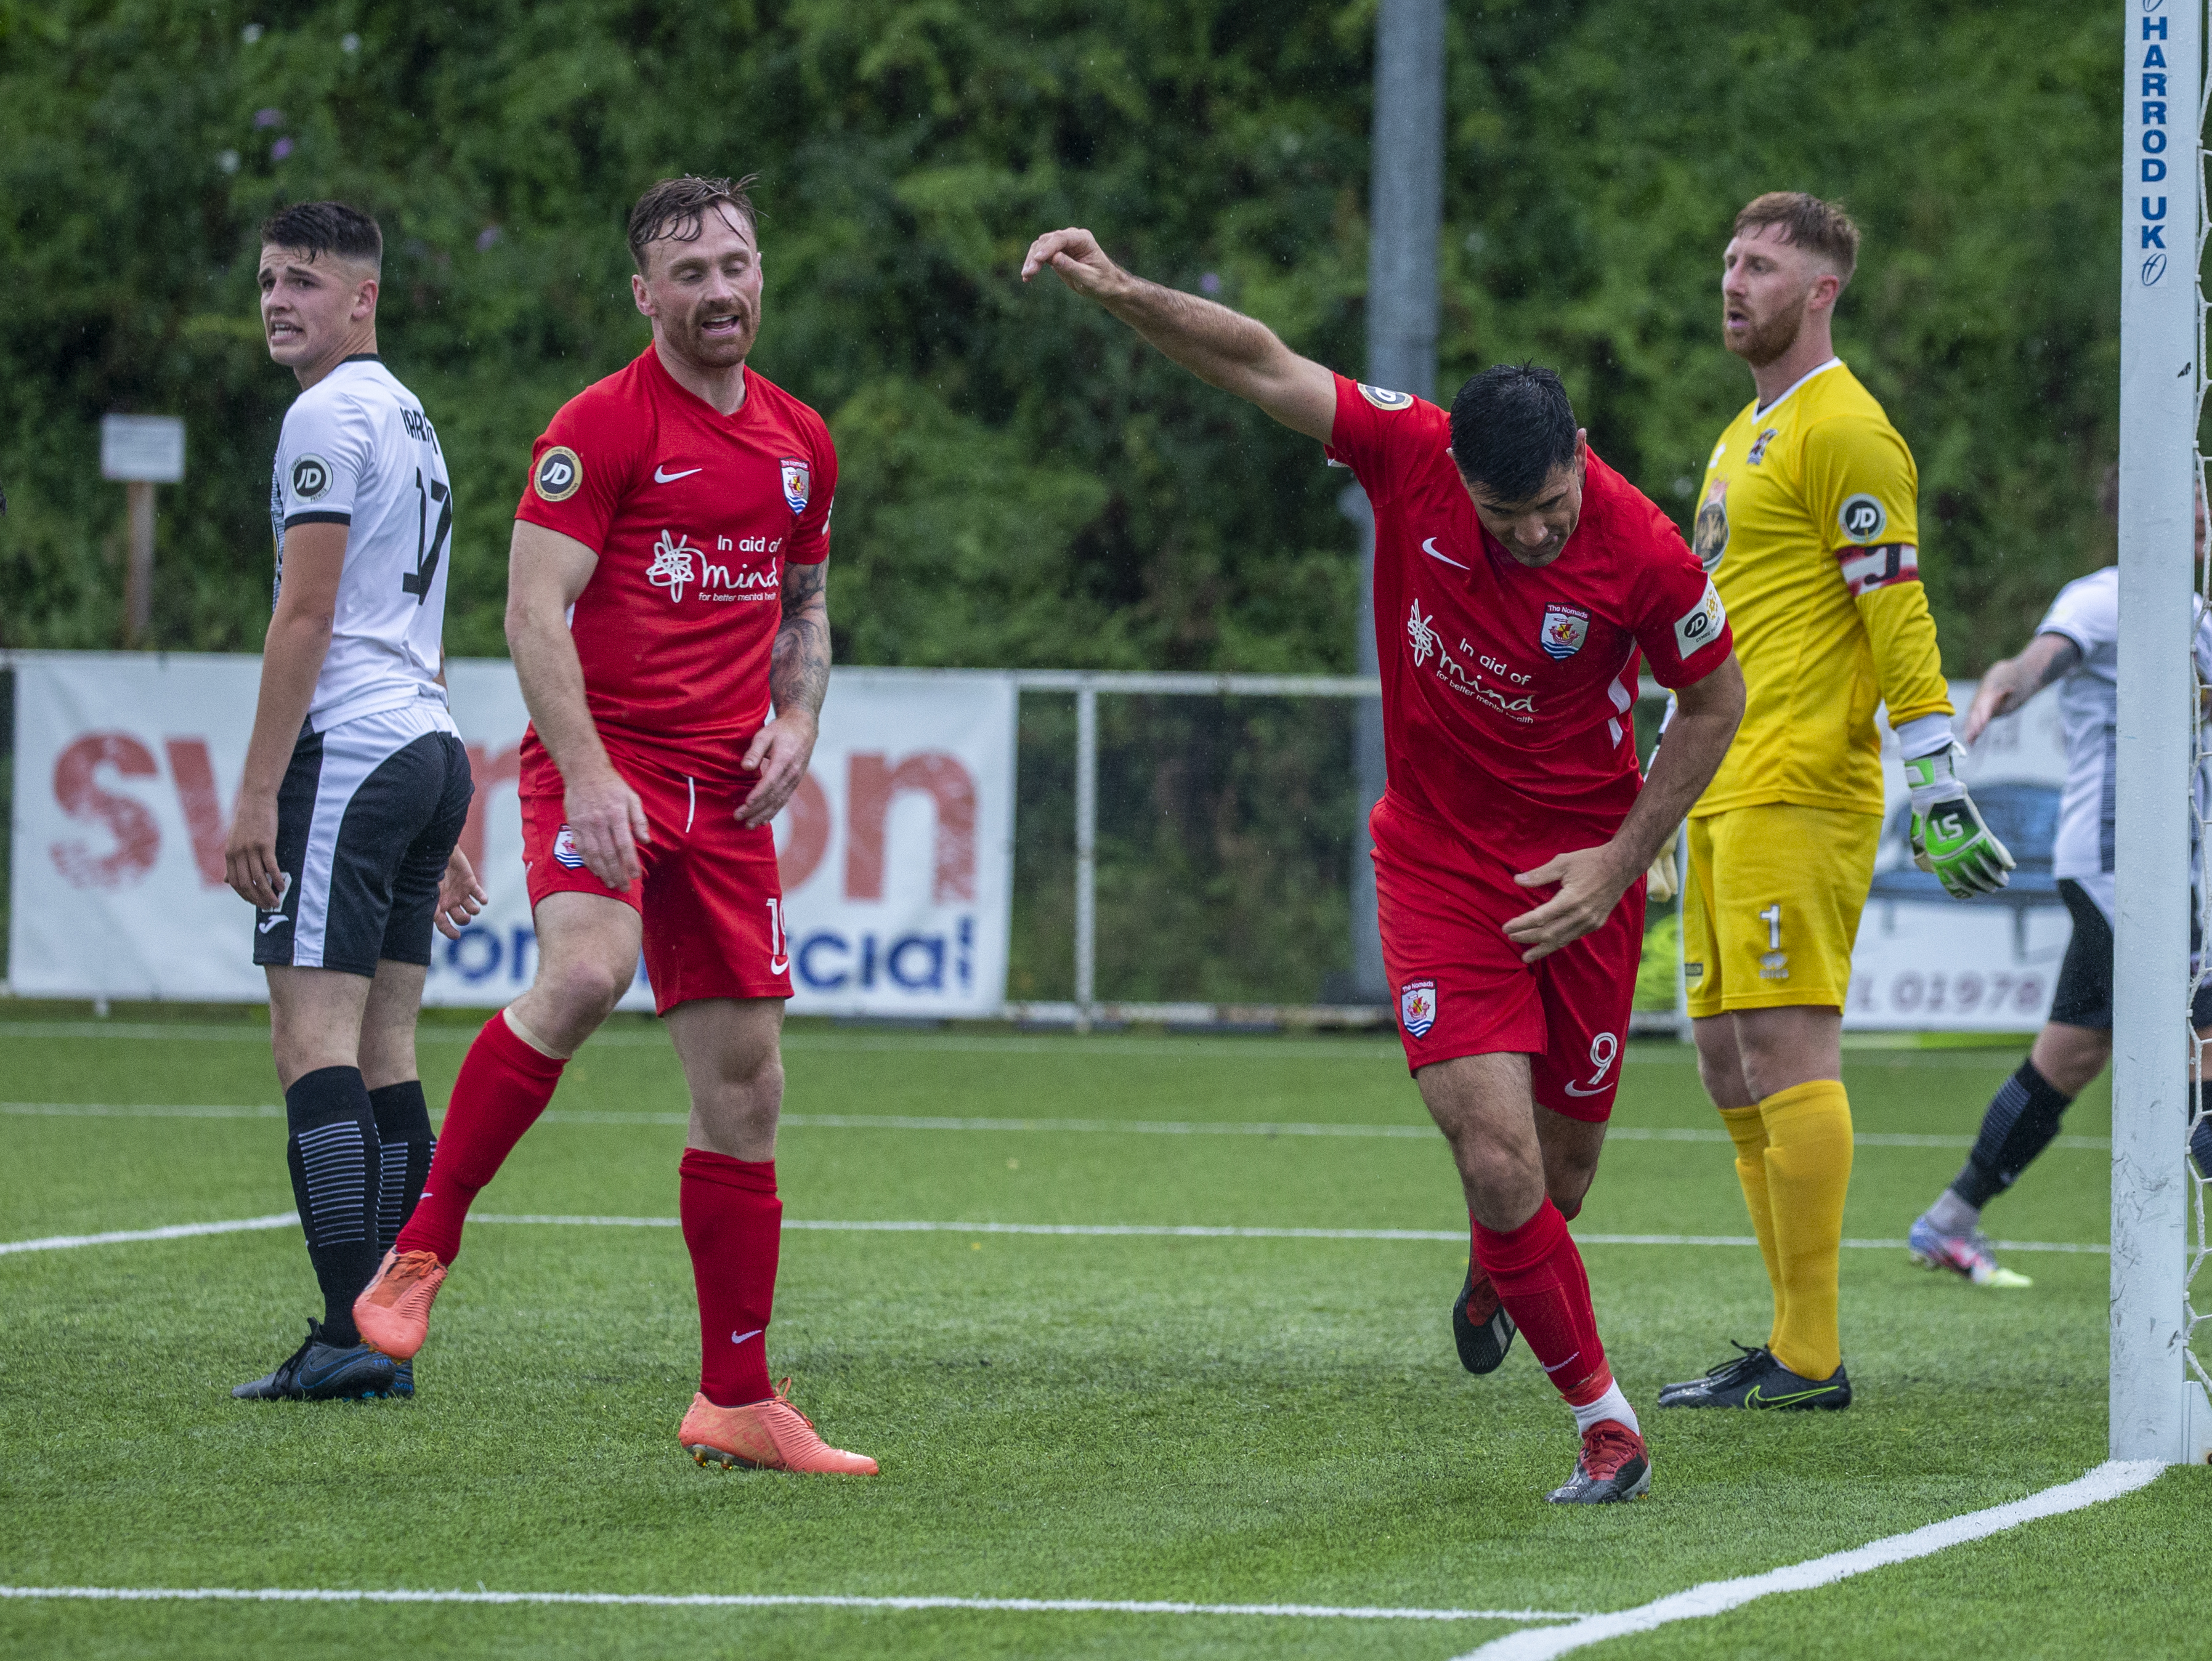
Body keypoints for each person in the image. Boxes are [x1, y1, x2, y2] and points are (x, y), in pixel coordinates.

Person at [1023, 225, 1745, 1503]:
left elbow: (1712, 704)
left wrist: (1620, 857)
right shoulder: (1406, 449)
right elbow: (1255, 363)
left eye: (1551, 506)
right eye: (1504, 512)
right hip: (1432, 866)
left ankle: (1497, 1265)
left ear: (1583, 457)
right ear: (1455, 477)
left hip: (1581, 877)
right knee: (1495, 1156)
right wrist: (1119, 288)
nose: (1532, 533)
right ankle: (1605, 1422)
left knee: (1558, 1179)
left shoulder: (1640, 549)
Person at [350, 176, 874, 1474]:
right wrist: (586, 771)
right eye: (688, 273)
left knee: (747, 1086)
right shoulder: (598, 427)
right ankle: (424, 1246)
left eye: (735, 266)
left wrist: (799, 719)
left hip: (728, 794)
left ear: (763, 274)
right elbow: (534, 613)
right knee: (587, 967)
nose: (718, 292)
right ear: (645, 294)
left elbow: (805, 600)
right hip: (608, 762)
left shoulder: (801, 438)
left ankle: (737, 1397)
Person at [1657, 193, 2012, 1416]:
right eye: (1726, 257)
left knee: (1784, 1045)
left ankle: (1810, 1352)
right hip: (1720, 784)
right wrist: (1655, 797)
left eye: (1757, 263)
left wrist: (1936, 778)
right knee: (1720, 1056)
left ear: (1820, 291)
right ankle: (1784, 1335)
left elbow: (1893, 610)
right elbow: (1710, 627)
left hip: (1800, 778)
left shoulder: (1846, 428)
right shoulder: (1736, 434)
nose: (1731, 279)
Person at [1907, 479, 2212, 1295]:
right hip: (2117, 871)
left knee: (2070, 1055)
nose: (2204, 529)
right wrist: (2002, 687)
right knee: (2204, 1048)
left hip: (2151, 871)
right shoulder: (2101, 599)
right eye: (2190, 518)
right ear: (2142, 523)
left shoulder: (2191, 615)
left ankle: (1949, 1221)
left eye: (2208, 518)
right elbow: (2036, 660)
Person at [227, 201, 487, 1404]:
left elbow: (309, 614)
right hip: (422, 738)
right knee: (385, 1047)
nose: (279, 300)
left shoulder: (327, 412)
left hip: (355, 743)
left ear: (362, 297)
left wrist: (256, 790)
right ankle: (377, 1325)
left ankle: (346, 1334)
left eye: (304, 283)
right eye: (270, 280)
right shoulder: (410, 417)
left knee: (311, 1041)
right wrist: (445, 806)